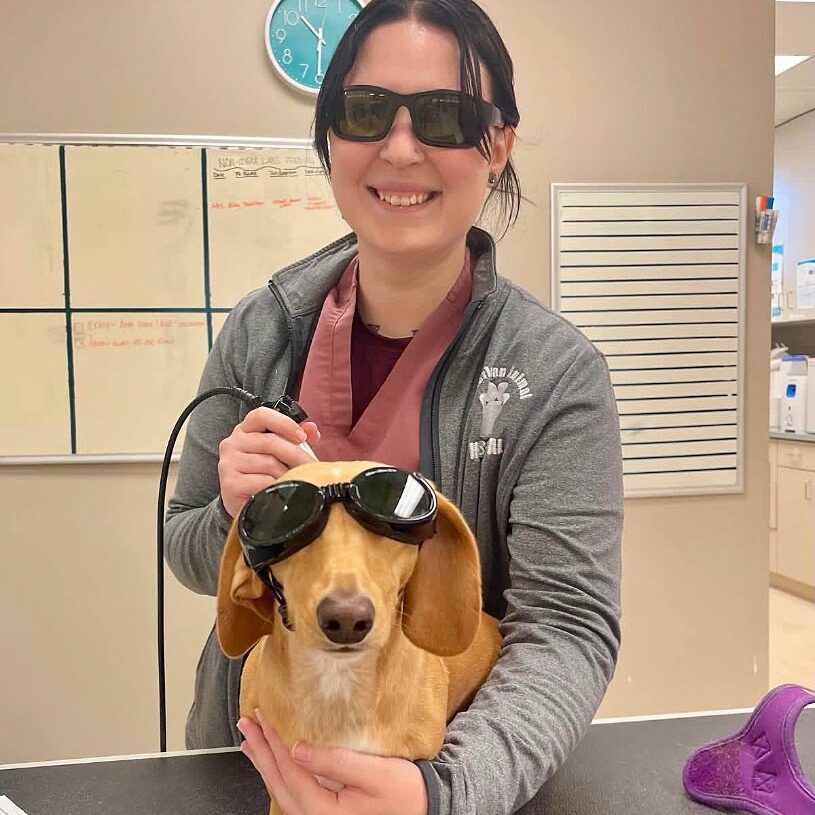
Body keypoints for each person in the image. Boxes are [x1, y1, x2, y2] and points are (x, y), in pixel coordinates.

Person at [164, 0, 623, 813]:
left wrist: (445, 790)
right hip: (248, 756)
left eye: (447, 117)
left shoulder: (555, 374)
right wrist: (231, 513)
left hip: (437, 762)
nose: (401, 147)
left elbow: (566, 626)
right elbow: (188, 547)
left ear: (499, 146)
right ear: (331, 137)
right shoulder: (260, 330)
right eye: (366, 111)